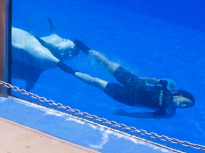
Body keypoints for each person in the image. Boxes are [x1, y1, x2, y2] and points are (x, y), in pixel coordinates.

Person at [59, 41, 195, 119]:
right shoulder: (171, 85)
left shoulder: (168, 113)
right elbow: (153, 80)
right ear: (183, 95)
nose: (183, 106)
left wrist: (128, 114)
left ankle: (69, 70)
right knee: (107, 63)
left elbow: (147, 115)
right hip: (134, 82)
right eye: (186, 103)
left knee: (96, 82)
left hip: (128, 99)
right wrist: (137, 79)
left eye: (186, 107)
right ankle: (85, 49)